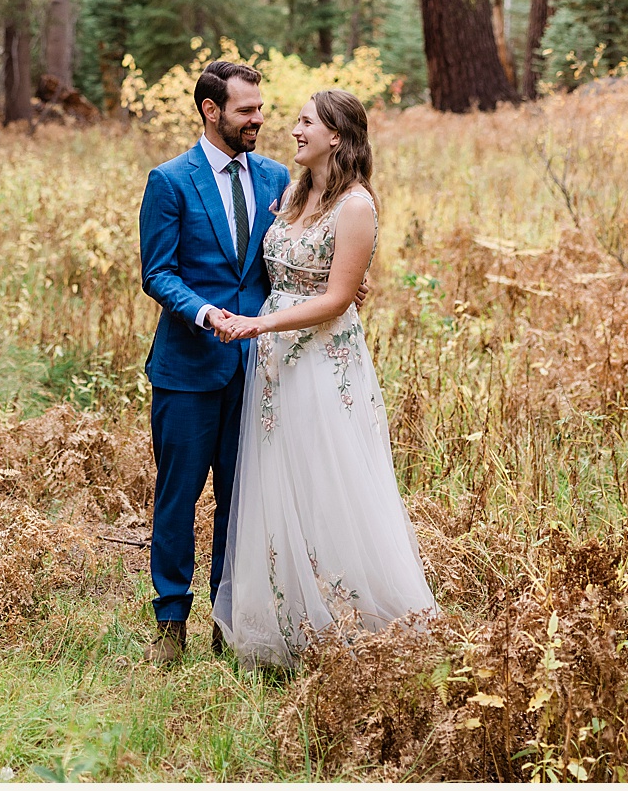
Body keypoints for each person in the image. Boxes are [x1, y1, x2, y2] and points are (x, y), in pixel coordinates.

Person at [209, 88, 438, 665]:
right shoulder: (292, 194)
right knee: (279, 480)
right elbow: (283, 268)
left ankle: (354, 622)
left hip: (320, 359)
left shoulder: (356, 206)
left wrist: (258, 327)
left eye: (305, 122)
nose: (293, 129)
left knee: (329, 478)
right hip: (275, 365)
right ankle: (288, 624)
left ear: (336, 135)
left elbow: (337, 299)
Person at [136, 59, 286, 665]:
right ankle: (171, 622)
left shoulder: (277, 177)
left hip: (260, 368)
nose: (258, 119)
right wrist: (206, 315)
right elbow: (158, 273)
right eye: (246, 110)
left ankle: (228, 622)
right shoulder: (170, 180)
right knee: (178, 496)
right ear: (210, 110)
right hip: (189, 367)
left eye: (260, 108)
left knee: (240, 497)